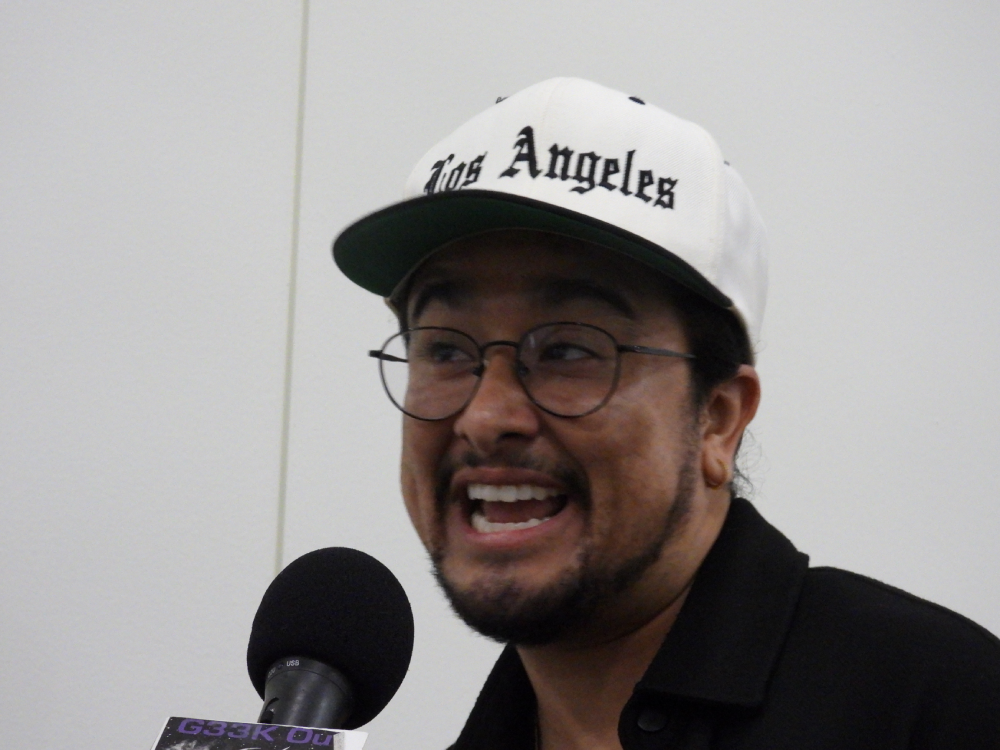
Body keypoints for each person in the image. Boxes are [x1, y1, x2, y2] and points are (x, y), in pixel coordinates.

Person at [332, 78, 1000, 749]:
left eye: (566, 349)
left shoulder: (937, 708)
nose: (485, 416)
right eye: (446, 350)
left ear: (718, 419)